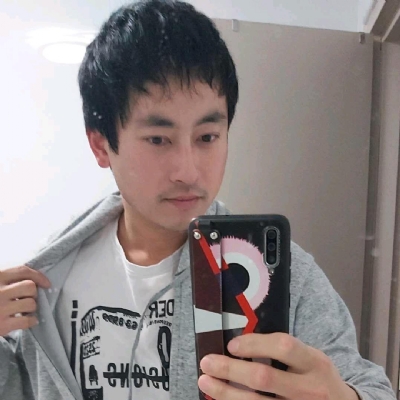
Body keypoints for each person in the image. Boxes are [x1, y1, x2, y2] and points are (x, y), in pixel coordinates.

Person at [0, 1, 395, 399]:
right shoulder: (49, 280)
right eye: (158, 139)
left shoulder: (280, 275)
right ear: (101, 146)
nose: (188, 171)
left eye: (207, 137)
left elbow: (373, 388)